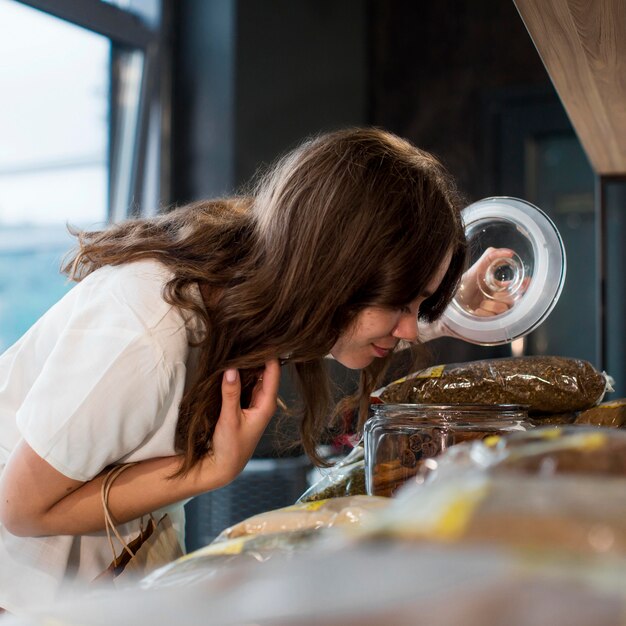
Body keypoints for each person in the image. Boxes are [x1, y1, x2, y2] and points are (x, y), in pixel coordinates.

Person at [0, 127, 466, 612]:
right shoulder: (146, 334)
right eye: (401, 303)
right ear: (334, 273)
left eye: (421, 303)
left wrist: (452, 310)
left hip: (101, 578)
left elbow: (345, 328)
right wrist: (209, 471)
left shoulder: (259, 279)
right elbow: (21, 509)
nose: (410, 329)